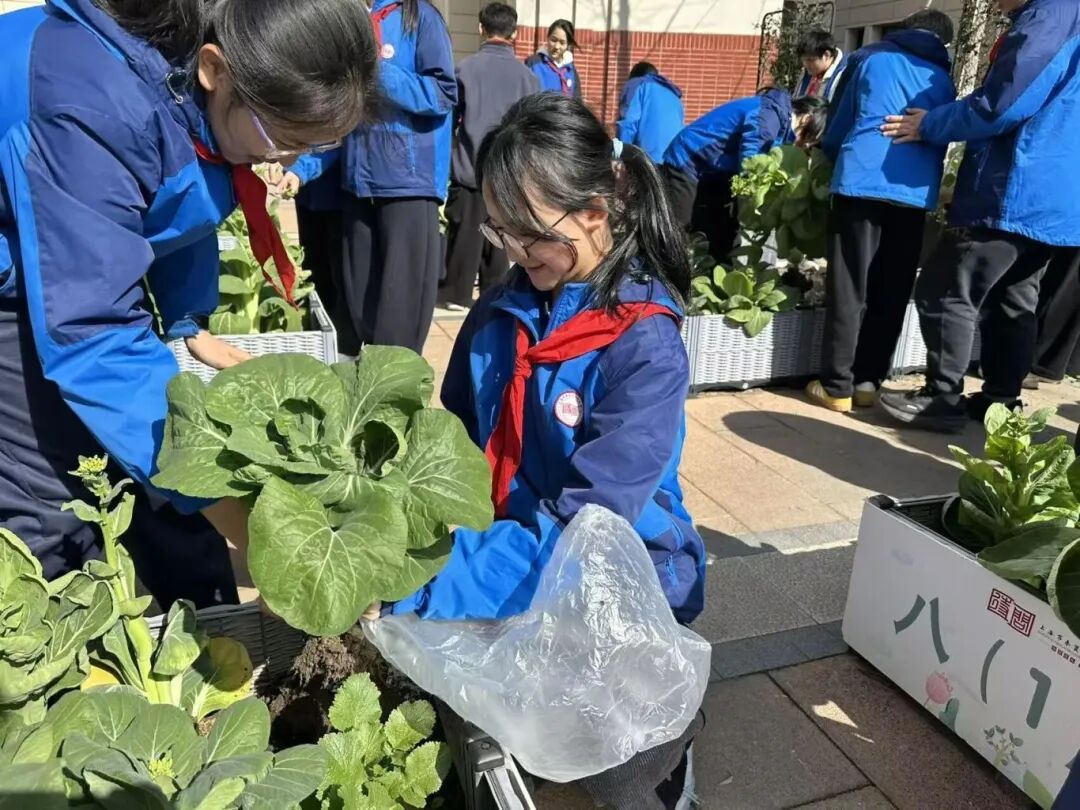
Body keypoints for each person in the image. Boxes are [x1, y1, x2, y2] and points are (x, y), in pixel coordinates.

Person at [383, 92, 706, 807]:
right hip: (511, 548)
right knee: (529, 716)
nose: (513, 251)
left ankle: (670, 772)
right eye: (499, 230)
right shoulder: (499, 314)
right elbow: (453, 441)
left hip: (623, 568)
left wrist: (421, 579)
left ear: (594, 212)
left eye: (530, 234)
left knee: (626, 768)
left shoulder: (645, 346)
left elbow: (585, 533)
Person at [0, 0, 378, 606]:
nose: (284, 161)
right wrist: (248, 527)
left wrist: (187, 321)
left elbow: (175, 189)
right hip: (22, 284)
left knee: (170, 496)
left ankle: (207, 625)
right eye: (282, 138)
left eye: (311, 145)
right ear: (214, 69)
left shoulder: (188, 83)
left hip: (66, 265)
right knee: (55, 506)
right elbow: (92, 333)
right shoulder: (89, 105)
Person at [880, 0, 1080, 432]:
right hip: (1054, 195)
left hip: (1014, 185)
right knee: (1013, 297)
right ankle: (1000, 401)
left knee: (944, 289)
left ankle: (942, 397)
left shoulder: (1050, 16)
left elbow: (1003, 103)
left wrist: (930, 123)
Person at [805, 10, 956, 413]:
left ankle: (837, 386)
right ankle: (868, 381)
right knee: (892, 287)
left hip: (862, 182)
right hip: (914, 193)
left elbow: (839, 121)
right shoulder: (943, 78)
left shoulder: (870, 58)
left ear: (905, 30)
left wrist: (828, 152)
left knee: (850, 284)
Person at [289, 0, 457, 356]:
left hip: (407, 186)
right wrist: (300, 170)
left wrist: (376, 70)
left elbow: (443, 94)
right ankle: (359, 380)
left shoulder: (421, 18)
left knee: (399, 312)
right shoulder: (351, 19)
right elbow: (340, 121)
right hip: (356, 187)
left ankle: (394, 383)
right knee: (355, 305)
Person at [439, 2, 539, 311]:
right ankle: (495, 294)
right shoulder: (529, 79)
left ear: (481, 28)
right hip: (509, 173)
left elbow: (448, 121)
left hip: (469, 167)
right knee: (503, 238)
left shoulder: (464, 70)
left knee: (464, 236)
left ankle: (457, 294)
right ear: (514, 33)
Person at [661, 89, 827, 260]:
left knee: (724, 231)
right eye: (810, 139)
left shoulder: (782, 126)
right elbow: (752, 161)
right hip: (688, 160)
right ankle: (658, 270)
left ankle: (718, 270)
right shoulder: (769, 116)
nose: (807, 146)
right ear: (807, 119)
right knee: (678, 227)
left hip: (715, 172)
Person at [615, 61, 685, 164]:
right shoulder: (675, 96)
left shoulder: (636, 84)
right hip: (675, 160)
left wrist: (620, 157)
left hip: (648, 160)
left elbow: (628, 124)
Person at [526, 19, 582, 99]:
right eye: (553, 40)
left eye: (562, 43)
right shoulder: (533, 64)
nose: (556, 46)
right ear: (548, 38)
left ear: (568, 45)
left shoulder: (570, 69)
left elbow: (577, 101)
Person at [795, 30, 848, 103]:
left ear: (826, 55)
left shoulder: (843, 76)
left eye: (810, 60)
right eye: (803, 60)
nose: (805, 64)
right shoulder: (807, 74)